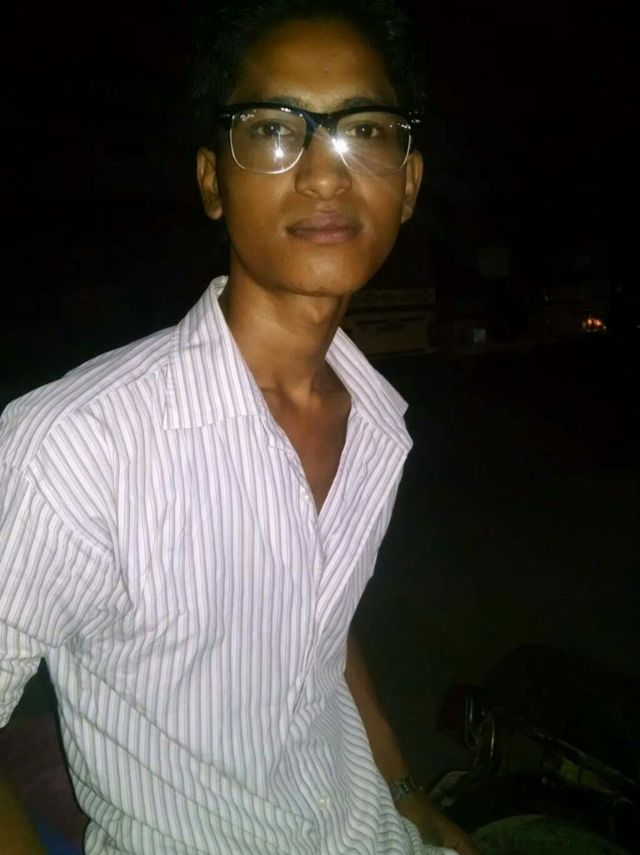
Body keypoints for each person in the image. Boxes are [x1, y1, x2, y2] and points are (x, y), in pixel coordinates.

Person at [0, 1, 480, 852]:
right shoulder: (75, 447)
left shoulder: (373, 422)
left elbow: (318, 623)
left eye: (364, 130)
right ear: (212, 182)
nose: (325, 175)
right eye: (272, 129)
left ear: (407, 183)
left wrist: (405, 792)